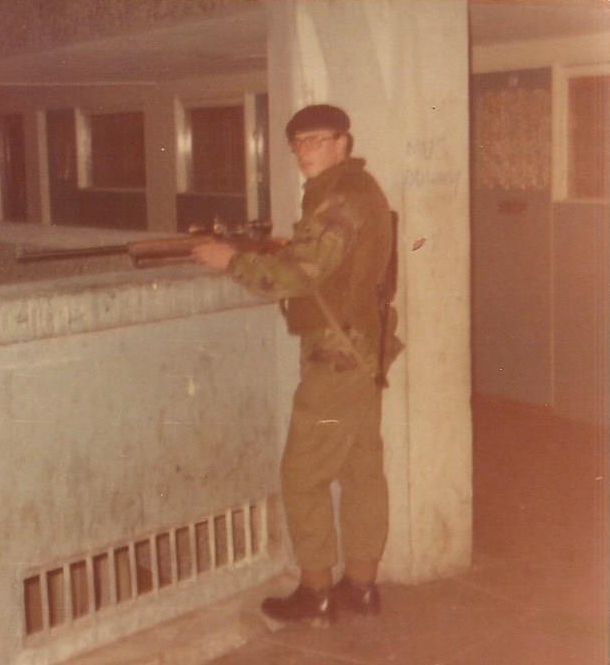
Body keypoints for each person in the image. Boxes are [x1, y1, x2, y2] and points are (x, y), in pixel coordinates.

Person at [192, 104, 397, 627]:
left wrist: (230, 261)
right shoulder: (351, 189)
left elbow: (299, 275)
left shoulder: (340, 199)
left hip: (337, 359)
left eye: (317, 140)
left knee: (302, 475)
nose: (305, 151)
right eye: (298, 143)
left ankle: (315, 592)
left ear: (343, 144)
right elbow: (328, 262)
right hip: (360, 352)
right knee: (360, 471)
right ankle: (361, 586)